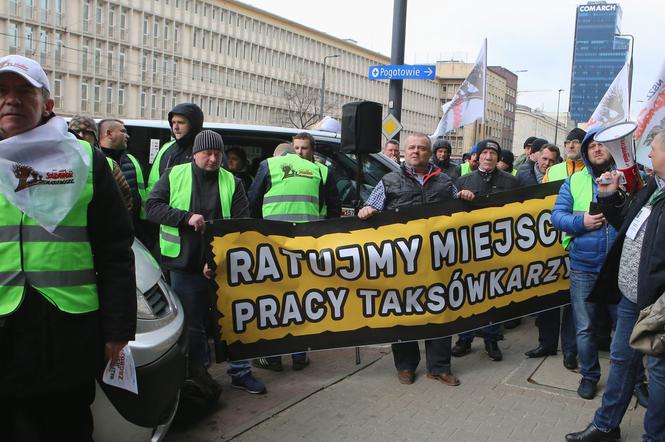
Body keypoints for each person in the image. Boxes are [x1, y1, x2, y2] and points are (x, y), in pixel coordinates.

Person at [0, 55, 136, 440]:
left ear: (47, 104)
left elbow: (114, 249)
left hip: (66, 330)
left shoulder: (85, 160)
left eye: (24, 90)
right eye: (1, 91)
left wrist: (117, 329)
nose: (11, 100)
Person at [146, 130, 266, 395]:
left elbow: (239, 227)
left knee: (236, 320)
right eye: (207, 154)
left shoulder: (232, 182)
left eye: (217, 154)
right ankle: (201, 376)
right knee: (193, 325)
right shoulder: (174, 175)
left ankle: (241, 372)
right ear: (195, 154)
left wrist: (215, 260)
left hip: (223, 265)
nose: (213, 159)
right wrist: (185, 217)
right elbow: (151, 207)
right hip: (185, 265)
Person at [565, 128, 665, 442]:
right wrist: (609, 196)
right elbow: (628, 226)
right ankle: (606, 426)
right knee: (621, 361)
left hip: (658, 303)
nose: (649, 154)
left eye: (655, 149)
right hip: (631, 297)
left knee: (660, 374)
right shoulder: (654, 186)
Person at [358, 133, 474, 386]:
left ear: (429, 153)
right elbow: (371, 207)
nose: (416, 151)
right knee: (404, 314)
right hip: (402, 263)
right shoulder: (389, 181)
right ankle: (406, 366)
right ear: (404, 151)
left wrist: (464, 197)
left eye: (422, 148)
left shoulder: (444, 181)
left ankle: (439, 367)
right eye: (411, 147)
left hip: (436, 261)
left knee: (440, 313)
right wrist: (367, 210)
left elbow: (460, 212)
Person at [248, 132, 340, 371]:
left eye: (304, 148)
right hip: (305, 245)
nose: (300, 153)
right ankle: (297, 356)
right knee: (299, 301)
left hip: (275, 245)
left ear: (313, 150)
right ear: (291, 148)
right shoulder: (322, 171)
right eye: (296, 148)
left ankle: (277, 357)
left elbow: (252, 202)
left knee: (277, 302)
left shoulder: (269, 165)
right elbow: (333, 211)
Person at [551, 128, 620, 400]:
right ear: (586, 152)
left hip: (619, 266)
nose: (598, 149)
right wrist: (582, 223)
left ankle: (631, 380)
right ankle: (589, 376)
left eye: (603, 144)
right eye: (592, 146)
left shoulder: (628, 178)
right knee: (585, 328)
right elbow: (557, 216)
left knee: (625, 328)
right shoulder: (573, 181)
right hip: (584, 266)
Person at [452, 139, 519, 361]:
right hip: (469, 249)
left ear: (498, 158)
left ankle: (492, 340)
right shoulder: (463, 181)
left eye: (493, 153)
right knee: (468, 295)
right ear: (478, 156)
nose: (489, 157)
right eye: (485, 153)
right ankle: (465, 339)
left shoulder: (511, 182)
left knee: (495, 295)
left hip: (498, 248)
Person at [98, 118, 152, 245]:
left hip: (134, 232)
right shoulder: (95, 161)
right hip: (106, 234)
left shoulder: (133, 161)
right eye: (123, 131)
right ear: (109, 133)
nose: (127, 135)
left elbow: (141, 196)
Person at [68, 114, 133, 212]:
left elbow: (125, 201)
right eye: (76, 132)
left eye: (87, 133)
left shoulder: (108, 164)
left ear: (95, 137)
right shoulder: (57, 163)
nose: (80, 136)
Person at [147, 102, 204, 194]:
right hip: (162, 207)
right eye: (173, 122)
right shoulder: (166, 148)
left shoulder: (207, 149)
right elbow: (153, 182)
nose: (176, 127)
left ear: (194, 124)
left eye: (181, 123)